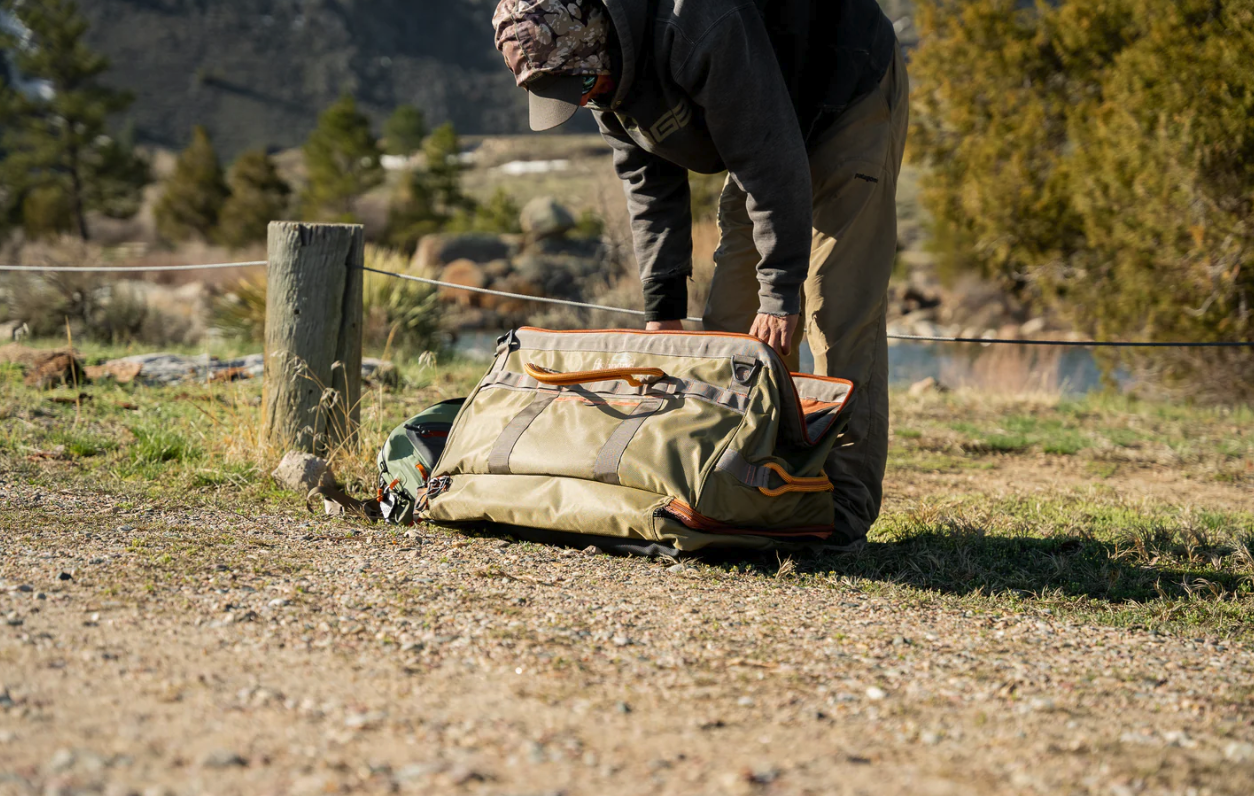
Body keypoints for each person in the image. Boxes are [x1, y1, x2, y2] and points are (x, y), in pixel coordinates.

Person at [492, 0, 908, 545]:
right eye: (575, 93)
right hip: (764, 117)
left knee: (835, 308)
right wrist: (662, 311)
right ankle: (755, 495)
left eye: (585, 83)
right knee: (731, 332)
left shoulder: (698, 22)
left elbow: (769, 157)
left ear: (597, 39)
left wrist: (781, 293)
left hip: (844, 93)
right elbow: (647, 182)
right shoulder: (595, 67)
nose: (587, 97)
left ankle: (841, 515)